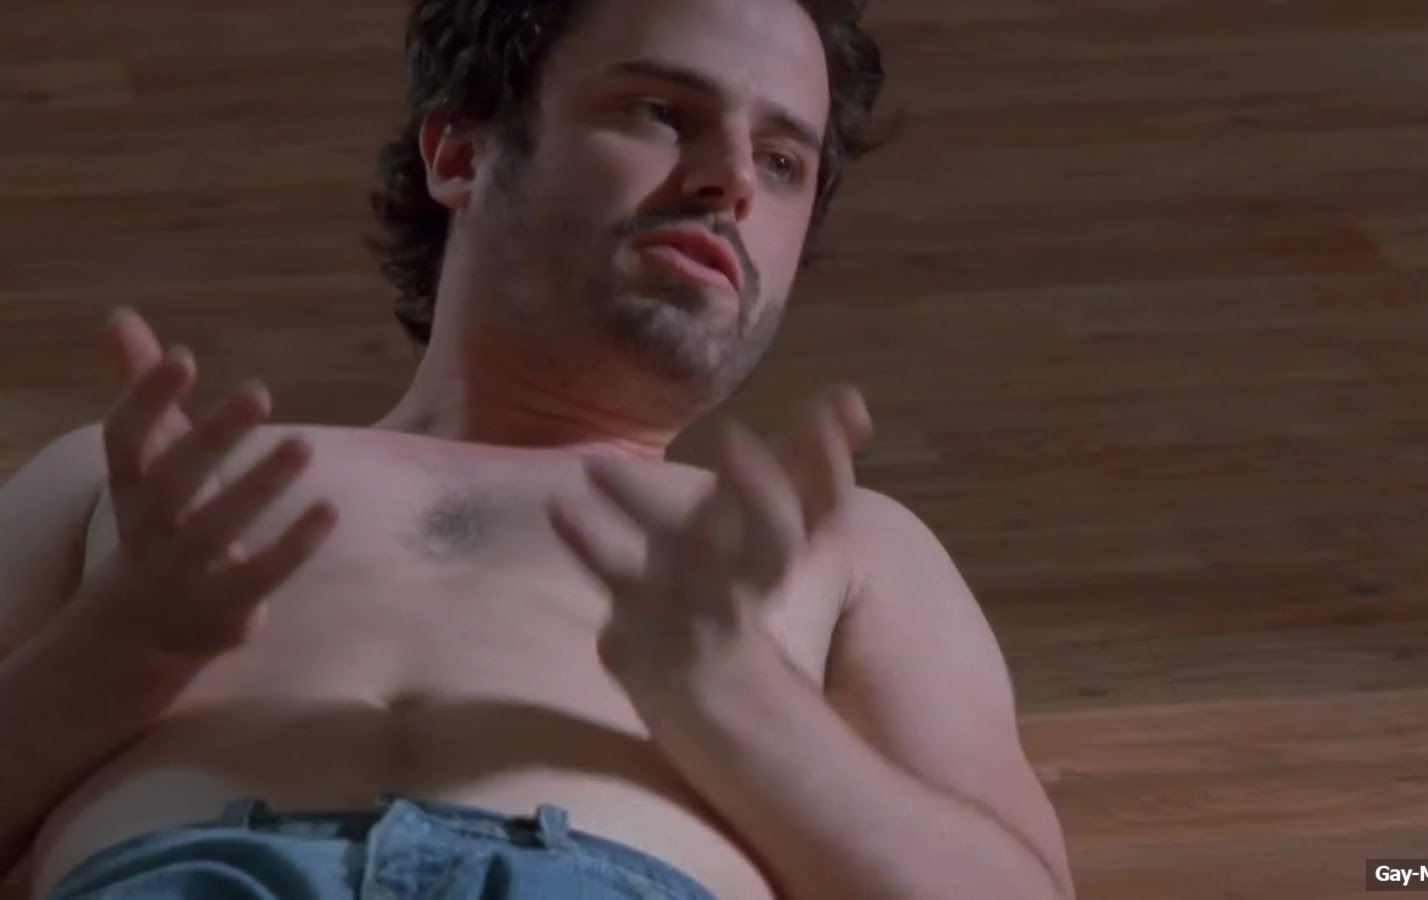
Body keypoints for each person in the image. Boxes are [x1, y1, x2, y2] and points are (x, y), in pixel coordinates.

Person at [0, 0, 1075, 896]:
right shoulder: (123, 483)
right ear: (460, 153)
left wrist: (738, 701)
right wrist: (118, 649)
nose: (732, 180)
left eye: (783, 159)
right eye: (662, 112)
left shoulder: (848, 543)